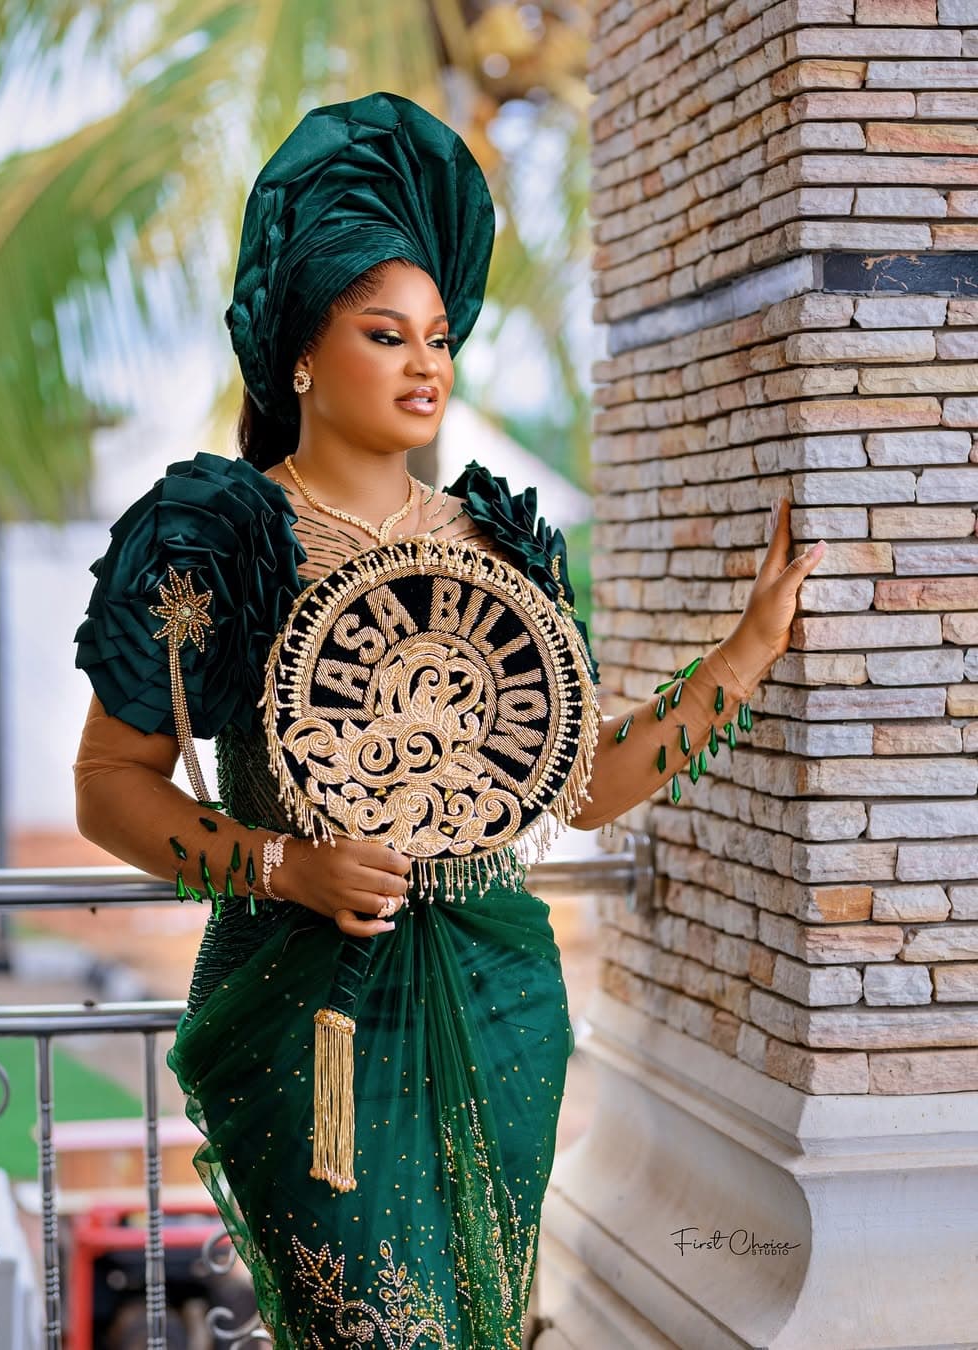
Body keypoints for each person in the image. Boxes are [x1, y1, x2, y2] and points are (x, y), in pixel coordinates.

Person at [72, 91, 825, 1349]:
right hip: (317, 1020)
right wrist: (282, 866)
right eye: (386, 333)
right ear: (302, 351)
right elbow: (108, 783)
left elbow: (576, 786)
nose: (427, 363)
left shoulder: (498, 542)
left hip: (500, 996)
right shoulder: (218, 535)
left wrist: (745, 652)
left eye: (439, 335)